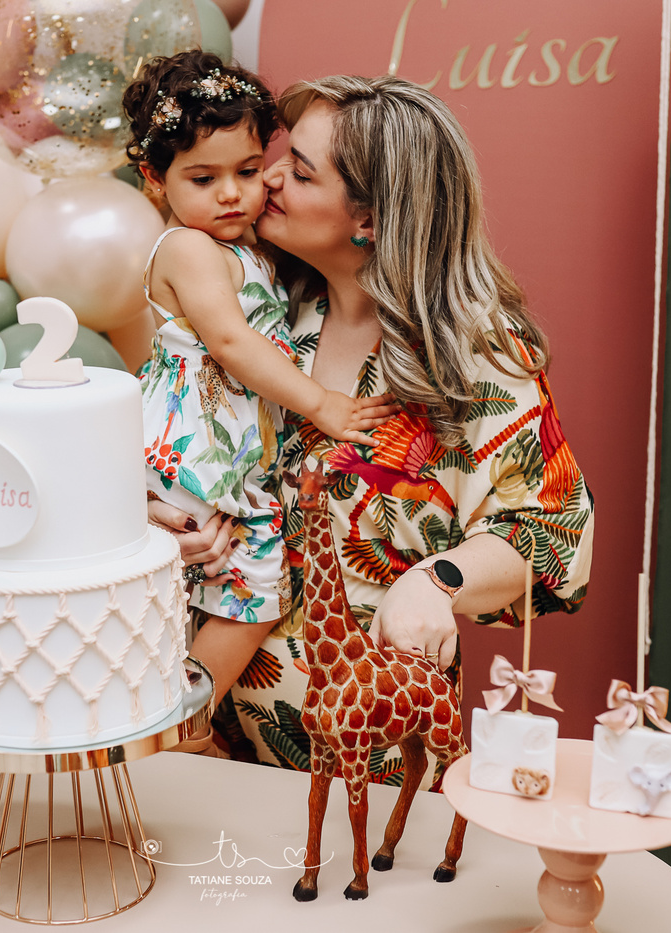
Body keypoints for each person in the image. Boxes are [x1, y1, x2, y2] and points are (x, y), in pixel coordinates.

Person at [150, 75, 595, 775]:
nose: (268, 179)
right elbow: (174, 425)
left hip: (374, 756)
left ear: (374, 218)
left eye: (300, 172)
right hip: (212, 744)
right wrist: (161, 517)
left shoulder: (473, 352)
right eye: (281, 158)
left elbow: (549, 529)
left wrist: (437, 579)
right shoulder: (263, 309)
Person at [122, 53, 396, 731]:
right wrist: (321, 403)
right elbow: (232, 342)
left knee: (235, 592)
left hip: (231, 455)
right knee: (245, 589)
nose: (232, 194)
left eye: (248, 171)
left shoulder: (248, 246)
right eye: (203, 178)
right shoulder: (187, 248)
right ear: (154, 178)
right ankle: (177, 724)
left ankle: (179, 720)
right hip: (193, 451)